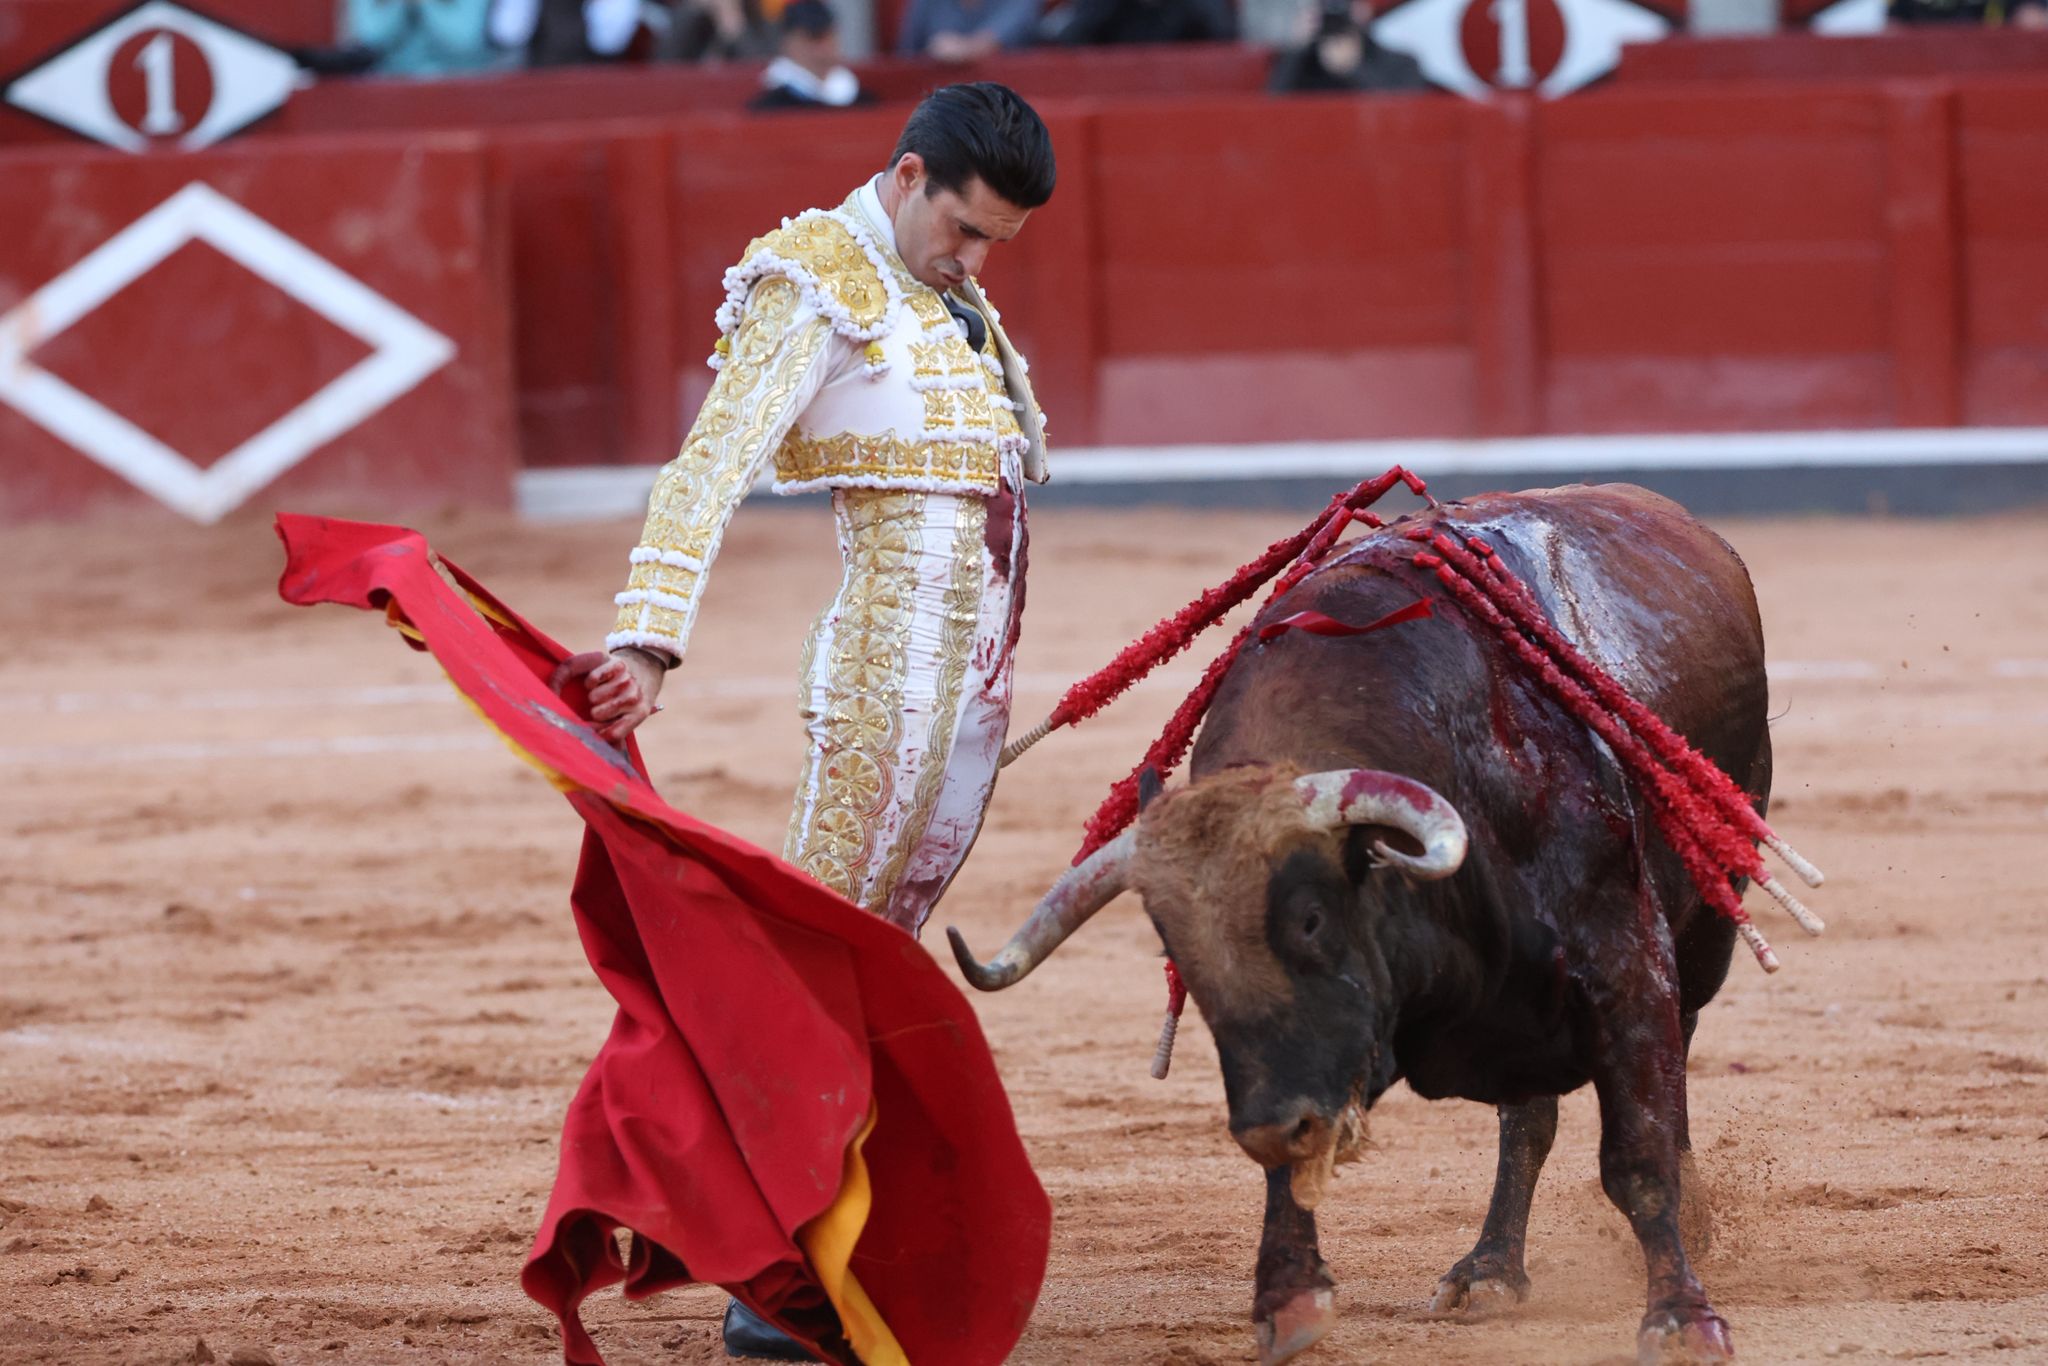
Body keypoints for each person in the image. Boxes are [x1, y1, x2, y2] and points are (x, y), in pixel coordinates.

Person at [558, 84, 1054, 1355]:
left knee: (874, 954)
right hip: (882, 685)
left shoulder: (952, 304)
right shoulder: (819, 277)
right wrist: (646, 640)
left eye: (995, 237)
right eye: (965, 226)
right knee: (811, 969)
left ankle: (830, 1234)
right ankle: (764, 1273)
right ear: (905, 176)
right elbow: (708, 464)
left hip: (963, 696)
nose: (976, 255)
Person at [1268, 0, 1429, 92]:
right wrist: (1296, 50)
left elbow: (1405, 113)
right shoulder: (1303, 63)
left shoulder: (1401, 64)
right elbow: (1271, 109)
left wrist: (1354, 69)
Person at [749, 0, 873, 109]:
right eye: (813, 38)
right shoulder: (771, 108)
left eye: (829, 38)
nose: (824, 49)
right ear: (787, 44)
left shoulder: (862, 102)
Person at [896, 0, 1041, 62]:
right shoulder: (926, 3)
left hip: (1007, 105)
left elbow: (997, 37)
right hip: (936, 101)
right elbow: (907, 56)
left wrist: (960, 48)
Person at [1048, 0, 1232, 44]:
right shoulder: (1103, 5)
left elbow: (1225, 35)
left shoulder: (1198, 7)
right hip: (1116, 100)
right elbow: (1068, 39)